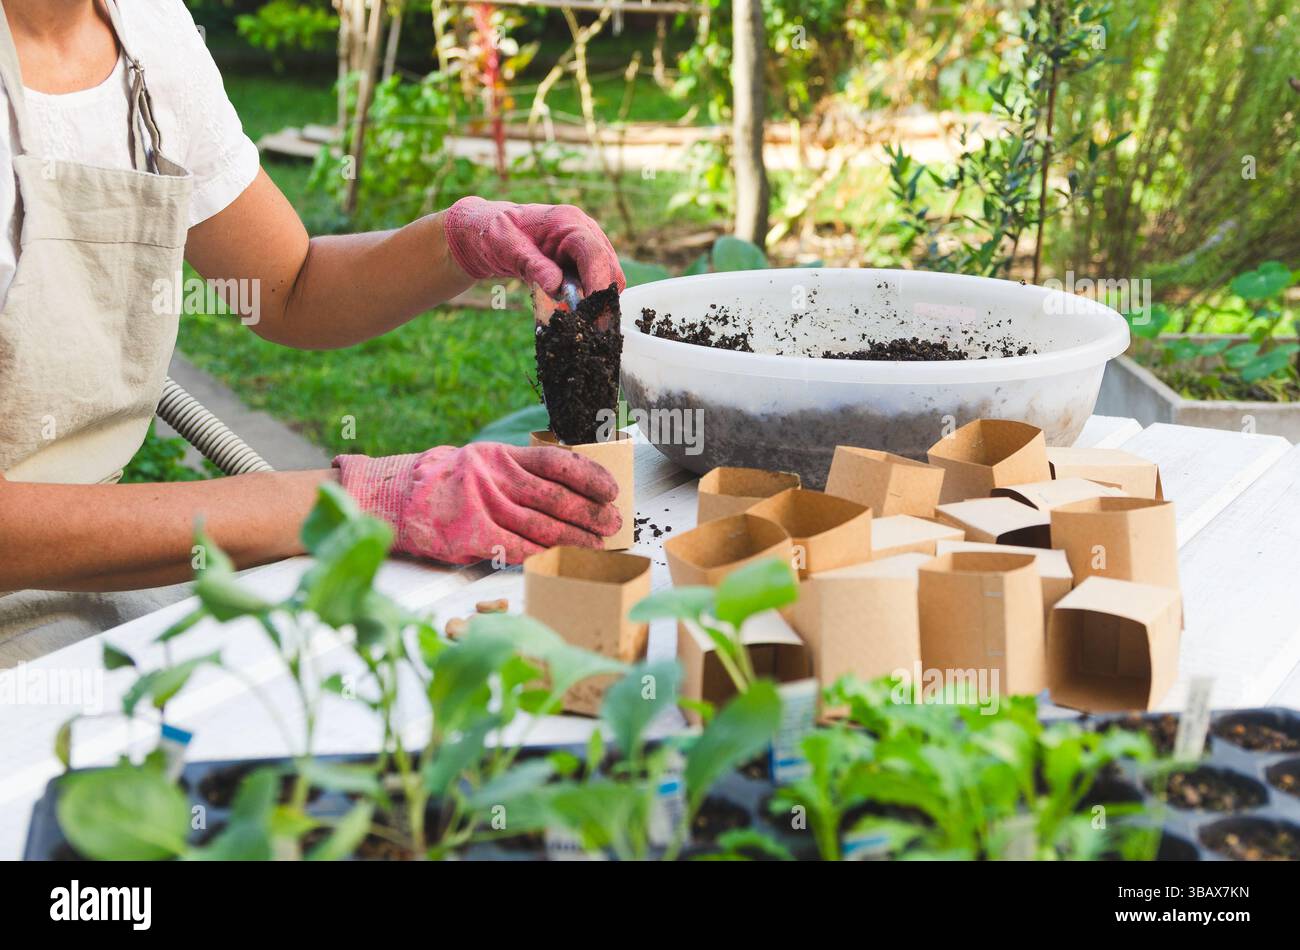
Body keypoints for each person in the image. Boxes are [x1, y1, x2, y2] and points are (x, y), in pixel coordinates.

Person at [0, 0, 626, 662]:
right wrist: (346, 501)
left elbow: (290, 286)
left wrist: (462, 242)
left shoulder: (148, 29)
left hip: (102, 569)